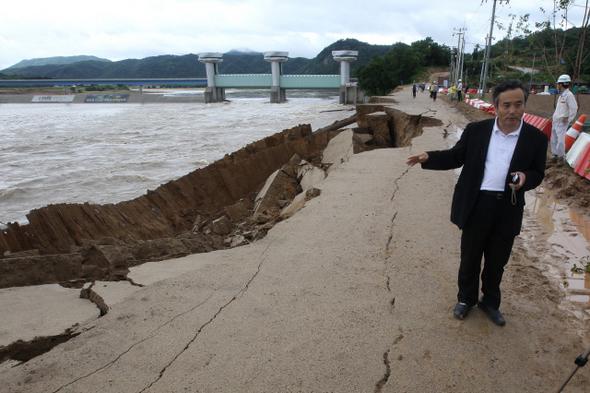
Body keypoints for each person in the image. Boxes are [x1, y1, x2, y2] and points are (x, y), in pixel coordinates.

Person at [406, 80, 547, 326]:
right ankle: (466, 299)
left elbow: (537, 172)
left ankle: (490, 302)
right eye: (506, 105)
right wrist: (428, 157)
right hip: (476, 203)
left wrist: (525, 178)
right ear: (496, 106)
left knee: (497, 261)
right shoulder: (477, 131)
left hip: (508, 207)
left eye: (518, 104)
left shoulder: (535, 138)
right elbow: (456, 156)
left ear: (525, 105)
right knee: (470, 257)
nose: (512, 110)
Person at [551, 74, 578, 161]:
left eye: (558, 84)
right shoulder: (562, 95)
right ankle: (555, 154)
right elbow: (559, 109)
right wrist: (553, 117)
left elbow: (574, 108)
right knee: (554, 138)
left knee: (560, 140)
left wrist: (568, 119)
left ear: (562, 84)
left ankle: (561, 157)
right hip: (556, 121)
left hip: (562, 122)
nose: (557, 85)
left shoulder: (569, 95)